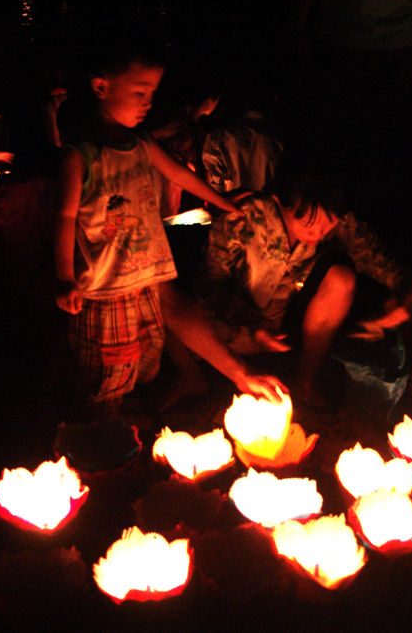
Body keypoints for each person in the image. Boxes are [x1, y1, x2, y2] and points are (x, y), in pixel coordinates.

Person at [54, 39, 283, 420]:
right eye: (140, 92)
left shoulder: (141, 142)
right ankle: (97, 440)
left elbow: (176, 172)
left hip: (146, 271)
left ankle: (116, 420)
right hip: (106, 287)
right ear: (101, 88)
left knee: (142, 360)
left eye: (153, 93)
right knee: (106, 374)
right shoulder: (81, 155)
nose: (148, 102)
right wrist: (64, 276)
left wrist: (225, 203)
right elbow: (64, 217)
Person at [201, 156, 412, 406]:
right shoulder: (241, 219)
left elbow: (370, 251)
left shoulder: (326, 210)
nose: (317, 233)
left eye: (327, 225)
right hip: (232, 333)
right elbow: (209, 291)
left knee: (341, 276)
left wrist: (405, 292)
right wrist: (252, 323)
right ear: (278, 201)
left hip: (284, 332)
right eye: (307, 224)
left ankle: (305, 382)